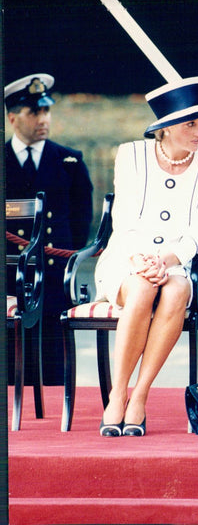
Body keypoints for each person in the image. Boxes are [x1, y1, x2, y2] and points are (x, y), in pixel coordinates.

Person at [95, 77, 198, 437]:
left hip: (176, 262)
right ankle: (117, 395)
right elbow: (123, 219)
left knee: (175, 292)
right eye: (191, 123)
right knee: (140, 289)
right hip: (126, 258)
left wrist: (166, 260)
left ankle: (140, 395)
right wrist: (142, 260)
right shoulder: (130, 155)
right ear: (167, 128)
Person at [5, 73, 93, 386]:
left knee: (54, 368)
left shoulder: (68, 161)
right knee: (11, 367)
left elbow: (82, 219)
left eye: (46, 111)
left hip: (54, 278)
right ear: (13, 118)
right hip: (9, 280)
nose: (43, 119)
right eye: (34, 112)